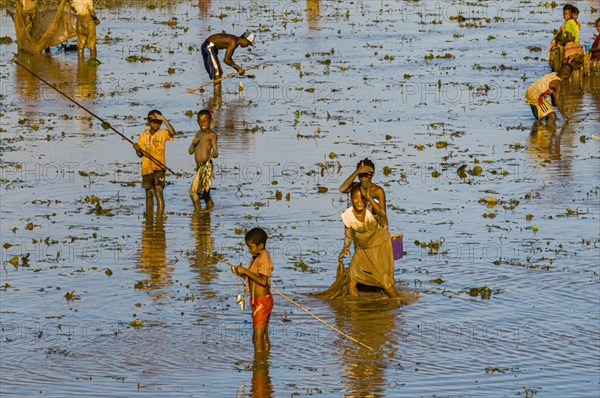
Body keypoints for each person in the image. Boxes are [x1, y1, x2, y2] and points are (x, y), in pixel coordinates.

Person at [338, 184, 400, 298]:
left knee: (383, 279)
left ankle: (398, 302)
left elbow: (382, 214)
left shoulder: (371, 208)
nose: (359, 201)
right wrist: (346, 246)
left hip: (379, 245)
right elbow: (348, 235)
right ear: (351, 199)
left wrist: (370, 198)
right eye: (355, 198)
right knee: (352, 278)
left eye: (362, 198)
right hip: (362, 249)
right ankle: (356, 310)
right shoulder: (347, 215)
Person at [230, 228, 274, 352]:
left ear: (260, 245)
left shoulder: (264, 257)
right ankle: (264, 363)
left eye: (250, 247)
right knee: (263, 336)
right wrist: (240, 273)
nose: (249, 250)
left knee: (257, 338)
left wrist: (245, 271)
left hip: (262, 302)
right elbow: (252, 278)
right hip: (258, 301)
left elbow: (263, 282)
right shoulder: (256, 257)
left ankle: (259, 365)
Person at [134, 110, 176, 214]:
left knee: (159, 191)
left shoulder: (163, 133)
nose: (155, 124)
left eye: (158, 122)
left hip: (159, 168)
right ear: (148, 121)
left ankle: (160, 217)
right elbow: (140, 155)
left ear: (161, 122)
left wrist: (164, 119)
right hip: (146, 169)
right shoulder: (143, 135)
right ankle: (149, 218)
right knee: (149, 194)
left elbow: (173, 133)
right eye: (153, 121)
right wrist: (136, 149)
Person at [339, 158, 388, 228]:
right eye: (361, 174)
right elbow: (342, 189)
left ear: (373, 174)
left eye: (366, 174)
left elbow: (383, 215)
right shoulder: (355, 187)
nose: (363, 177)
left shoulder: (378, 190)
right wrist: (357, 171)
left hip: (373, 225)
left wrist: (385, 232)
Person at [188, 109, 219, 210]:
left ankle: (198, 211)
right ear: (197, 122)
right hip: (199, 168)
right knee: (205, 194)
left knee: (193, 192)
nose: (203, 123)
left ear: (211, 121)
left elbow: (215, 151)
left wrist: (214, 154)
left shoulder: (212, 135)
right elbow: (190, 151)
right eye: (201, 121)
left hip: (206, 168)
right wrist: (193, 144)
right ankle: (209, 211)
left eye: (205, 120)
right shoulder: (198, 134)